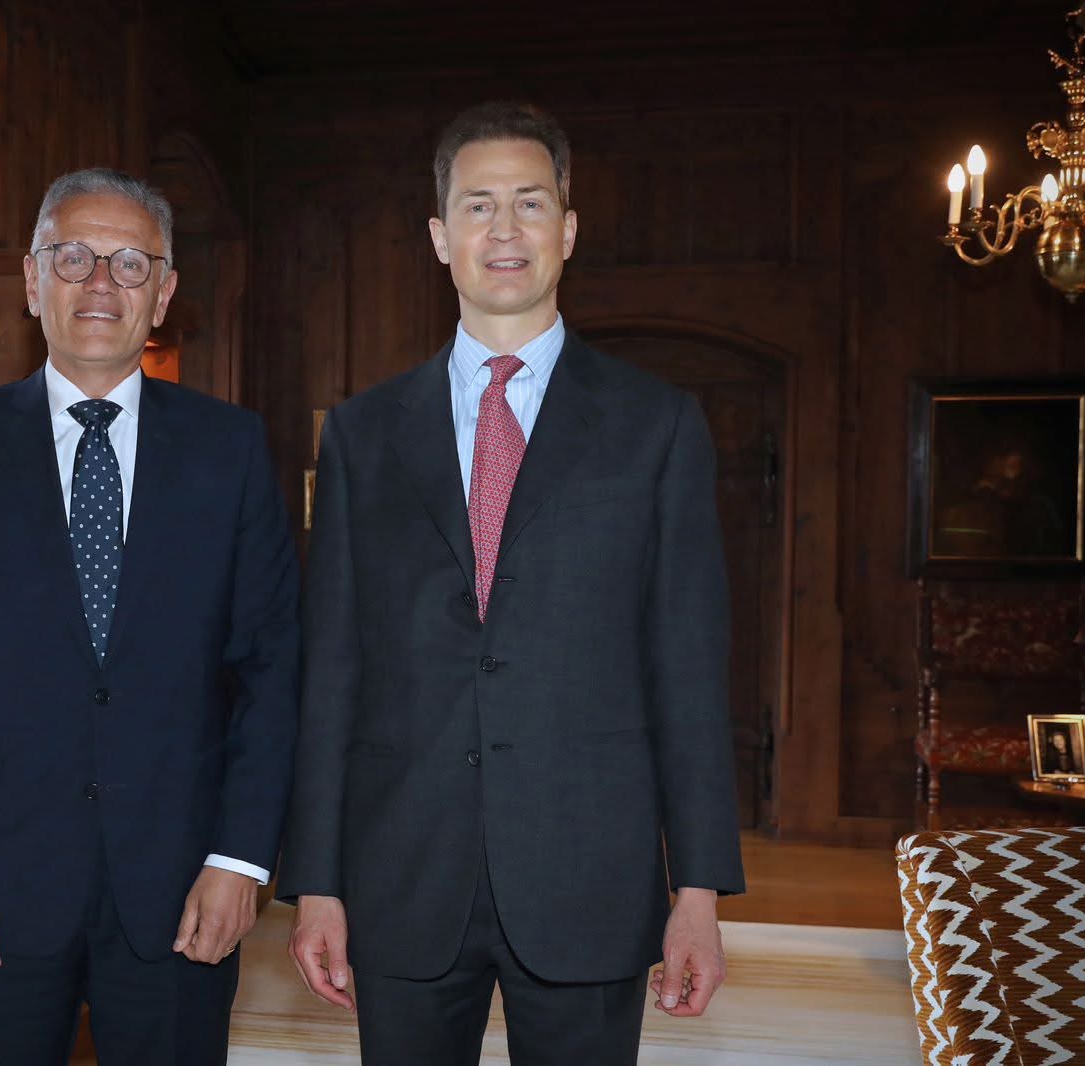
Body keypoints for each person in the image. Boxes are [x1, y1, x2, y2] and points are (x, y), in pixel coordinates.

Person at [280, 102, 746, 1065]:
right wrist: (316, 880)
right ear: (439, 235)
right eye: (478, 205)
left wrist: (698, 888)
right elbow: (332, 671)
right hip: (403, 872)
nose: (504, 229)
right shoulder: (364, 434)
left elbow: (689, 668)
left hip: (589, 870)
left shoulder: (656, 426)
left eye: (530, 203)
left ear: (566, 230)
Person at [0, 168, 299, 1065]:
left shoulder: (229, 449)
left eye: (130, 263)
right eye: (74, 257)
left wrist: (240, 861)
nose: (101, 282)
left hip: (183, 888)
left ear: (164, 294)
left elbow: (271, 670)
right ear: (33, 281)